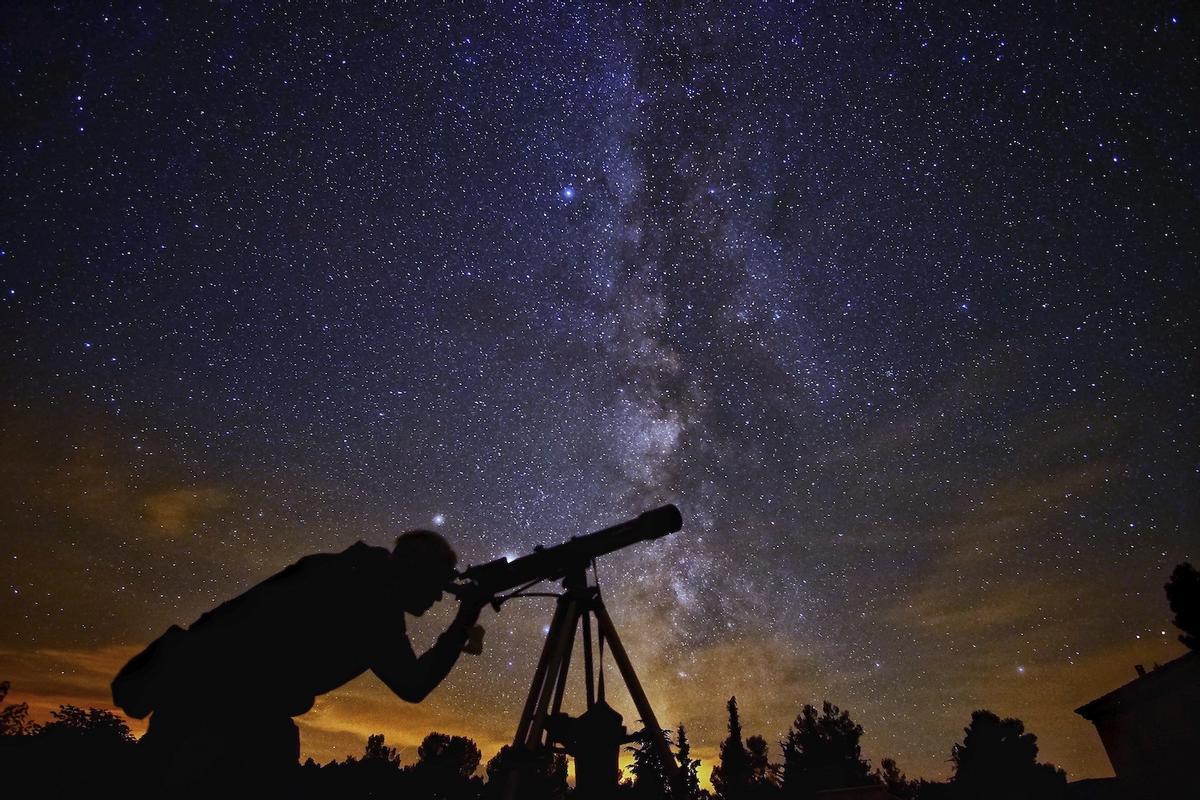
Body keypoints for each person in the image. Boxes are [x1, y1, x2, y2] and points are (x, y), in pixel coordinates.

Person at [112, 529, 489, 797]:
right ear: (415, 572)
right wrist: (464, 621)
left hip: (198, 703)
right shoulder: (372, 600)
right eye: (437, 585)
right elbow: (413, 685)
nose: (440, 598)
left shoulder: (341, 571)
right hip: (230, 719)